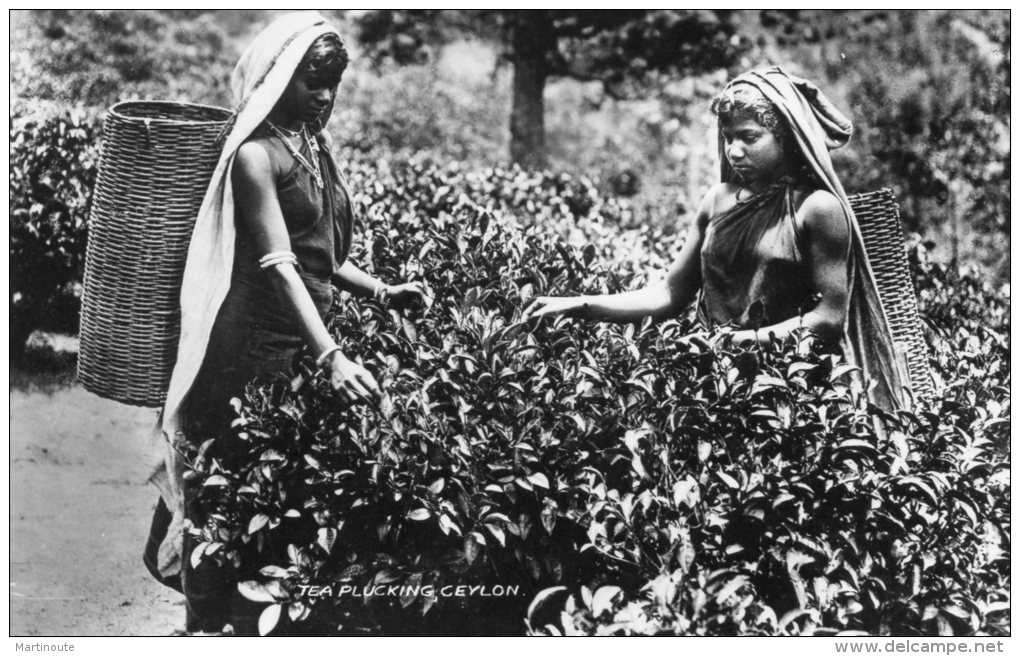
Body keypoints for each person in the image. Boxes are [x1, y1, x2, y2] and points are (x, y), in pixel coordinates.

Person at [143, 12, 423, 635]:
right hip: (245, 346)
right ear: (277, 80)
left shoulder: (312, 146)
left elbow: (324, 254)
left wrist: (383, 292)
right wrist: (331, 355)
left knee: (275, 484)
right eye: (311, 82)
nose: (324, 97)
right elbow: (278, 263)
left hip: (294, 343)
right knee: (224, 481)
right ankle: (202, 625)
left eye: (332, 85)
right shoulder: (254, 157)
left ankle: (250, 623)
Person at [523, 67, 911, 411]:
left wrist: (736, 342)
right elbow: (670, 294)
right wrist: (582, 304)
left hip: (789, 390)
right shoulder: (718, 200)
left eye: (749, 137)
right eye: (728, 137)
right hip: (712, 379)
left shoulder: (817, 208)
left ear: (787, 137)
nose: (734, 150)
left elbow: (828, 319)